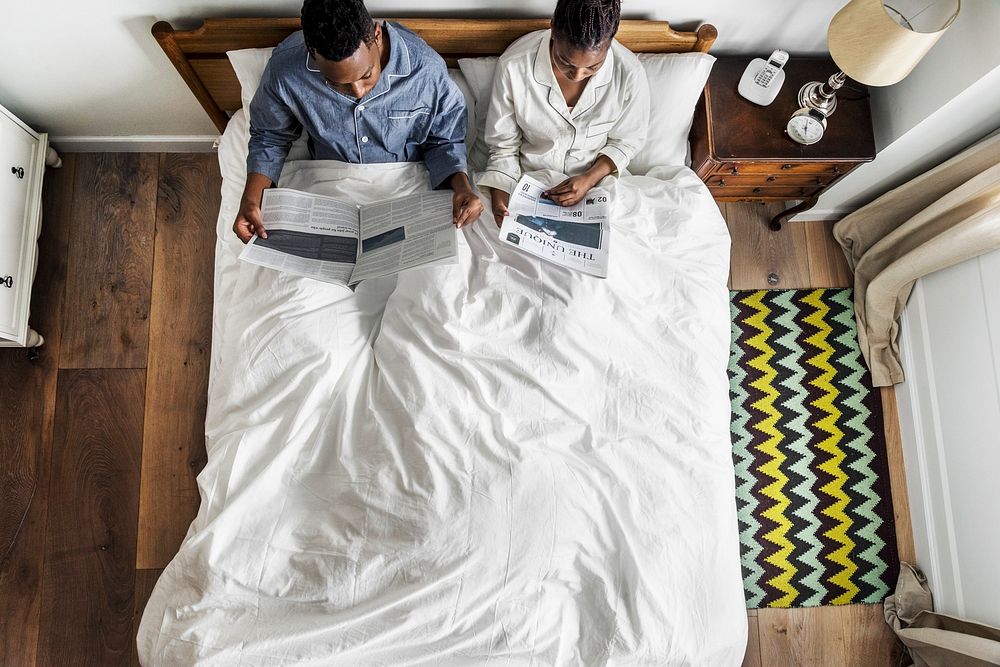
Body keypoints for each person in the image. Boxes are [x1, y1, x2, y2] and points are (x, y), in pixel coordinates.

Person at [234, 0, 483, 242]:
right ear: (312, 52)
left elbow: (444, 139)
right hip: (328, 187)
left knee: (435, 281)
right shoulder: (286, 70)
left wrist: (463, 187)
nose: (358, 92)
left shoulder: (426, 69)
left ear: (376, 35)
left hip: (405, 186)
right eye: (336, 84)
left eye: (367, 74)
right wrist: (251, 200)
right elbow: (270, 136)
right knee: (299, 286)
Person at [478, 0, 649, 226]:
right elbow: (503, 145)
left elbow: (626, 142)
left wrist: (589, 179)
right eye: (564, 62)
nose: (577, 76)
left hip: (597, 186)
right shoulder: (514, 66)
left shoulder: (629, 73)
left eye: (593, 67)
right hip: (528, 183)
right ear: (552, 29)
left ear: (610, 42)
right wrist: (501, 200)